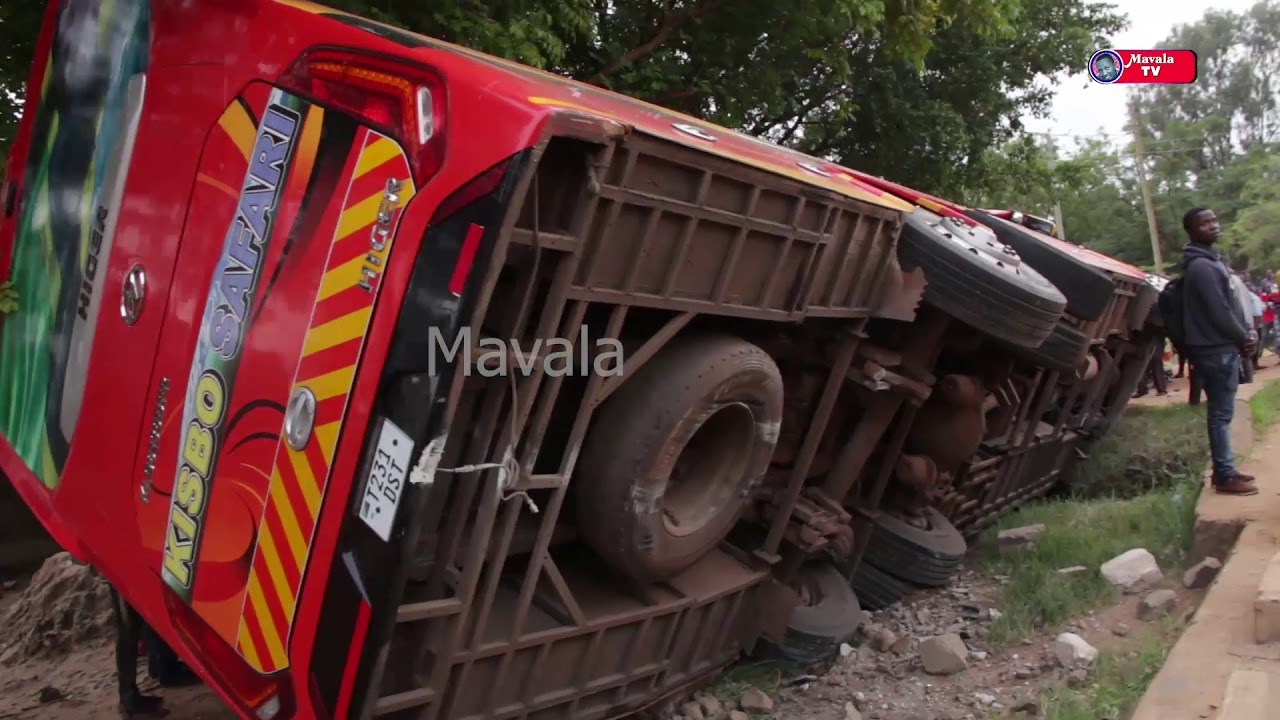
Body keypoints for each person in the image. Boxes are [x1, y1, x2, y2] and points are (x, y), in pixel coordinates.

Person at [1179, 207, 1257, 495]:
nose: (1213, 225)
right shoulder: (1201, 267)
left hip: (1219, 347)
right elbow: (1219, 311)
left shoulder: (1209, 262)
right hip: (1214, 349)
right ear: (1192, 230)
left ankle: (1226, 470)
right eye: (1205, 223)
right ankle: (1224, 476)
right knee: (1220, 415)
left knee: (1222, 413)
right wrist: (1242, 336)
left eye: (1214, 220)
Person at [109, 586, 166, 717]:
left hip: (124, 573)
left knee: (132, 628)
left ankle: (131, 696)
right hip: (118, 576)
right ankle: (129, 701)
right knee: (127, 631)